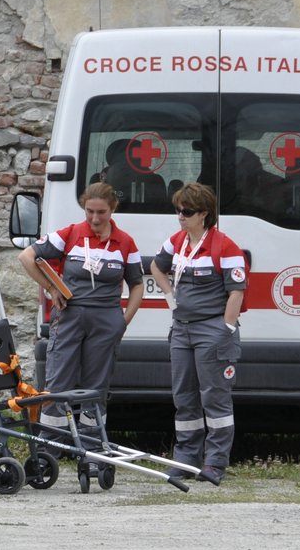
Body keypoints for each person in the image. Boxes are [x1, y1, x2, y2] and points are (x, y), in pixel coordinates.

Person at [17, 182, 144, 433]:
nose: (95, 219)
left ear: (112, 210)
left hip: (106, 319)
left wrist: (123, 320)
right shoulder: (71, 233)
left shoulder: (125, 242)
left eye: (101, 212)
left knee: (96, 388)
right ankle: (50, 449)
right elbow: (26, 257)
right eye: (89, 211)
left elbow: (137, 285)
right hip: (70, 316)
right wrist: (51, 289)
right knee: (57, 382)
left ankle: (93, 450)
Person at [147, 181, 246, 485]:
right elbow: (155, 266)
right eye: (178, 210)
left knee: (215, 399)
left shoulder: (224, 246)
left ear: (204, 213)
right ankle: (186, 460)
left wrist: (226, 328)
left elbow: (237, 291)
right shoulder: (177, 241)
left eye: (187, 211)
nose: (180, 216)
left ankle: (215, 462)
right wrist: (169, 297)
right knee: (184, 398)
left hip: (211, 330)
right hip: (182, 331)